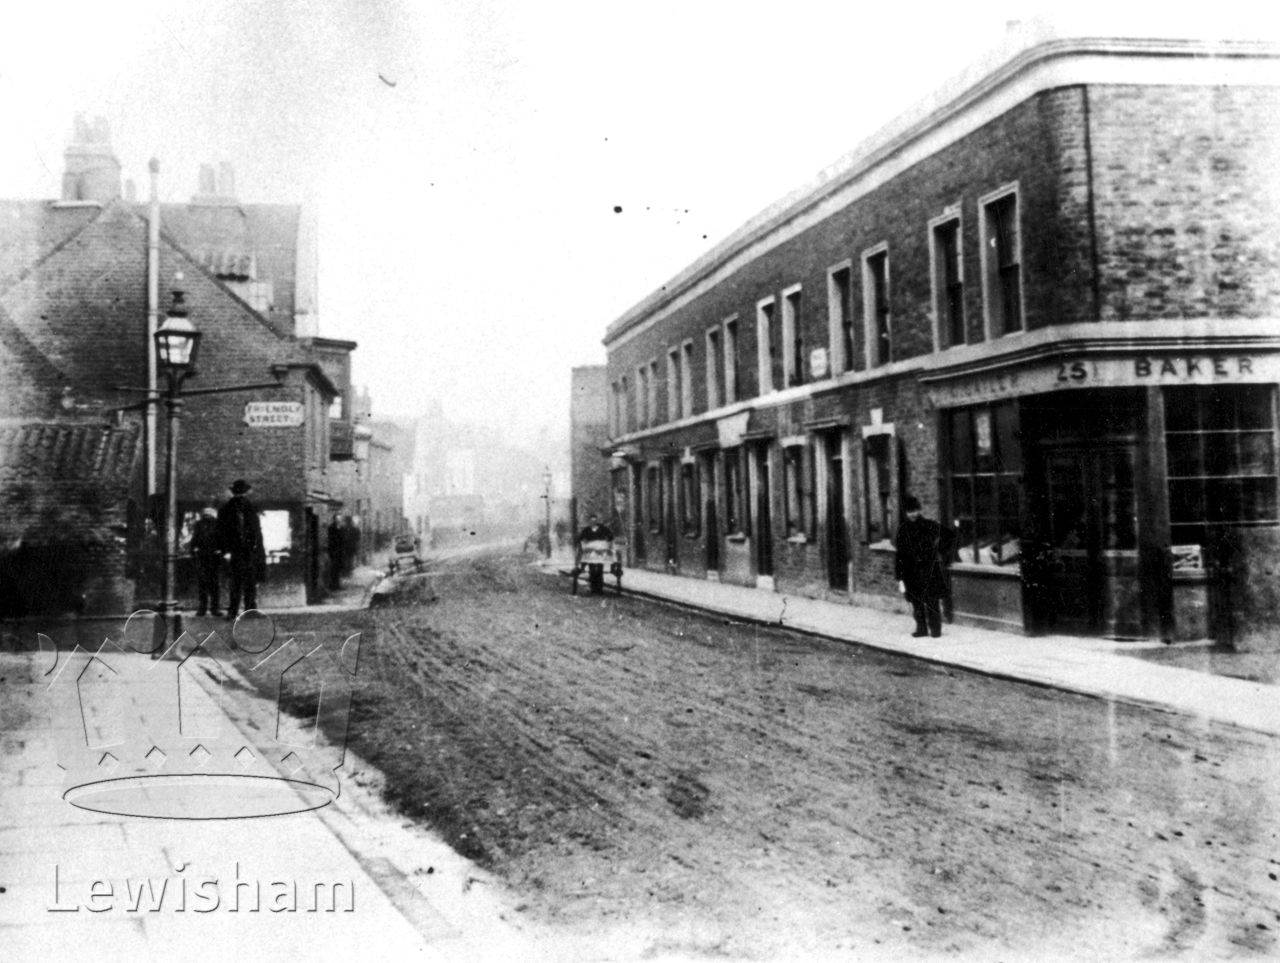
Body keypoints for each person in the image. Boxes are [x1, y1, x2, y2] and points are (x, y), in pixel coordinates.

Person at [895, 494, 948, 638]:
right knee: (916, 602)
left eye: (915, 511)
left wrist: (938, 550)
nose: (912, 514)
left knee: (932, 601)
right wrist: (900, 576)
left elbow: (947, 536)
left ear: (919, 511)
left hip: (928, 570)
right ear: (906, 513)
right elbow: (899, 555)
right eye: (909, 512)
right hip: (911, 572)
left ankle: (935, 629)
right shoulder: (903, 530)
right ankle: (921, 629)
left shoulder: (929, 525)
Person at [217, 479, 265, 620]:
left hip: (241, 551)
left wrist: (225, 550)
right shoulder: (243, 507)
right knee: (244, 582)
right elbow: (256, 531)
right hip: (242, 551)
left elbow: (221, 531)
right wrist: (225, 550)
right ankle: (242, 611)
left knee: (240, 582)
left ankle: (237, 611)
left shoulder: (230, 507)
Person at [190, 507, 223, 617]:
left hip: (213, 557)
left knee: (213, 584)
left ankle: (213, 609)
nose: (207, 516)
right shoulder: (199, 525)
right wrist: (194, 549)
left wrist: (220, 550)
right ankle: (204, 608)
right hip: (203, 556)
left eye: (209, 514)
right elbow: (195, 538)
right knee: (204, 584)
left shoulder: (217, 524)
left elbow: (222, 539)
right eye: (205, 514)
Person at [326, 515, 344, 590]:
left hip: (340, 551)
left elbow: (343, 538)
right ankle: (333, 585)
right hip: (333, 550)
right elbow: (331, 538)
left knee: (338, 568)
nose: (339, 520)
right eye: (337, 519)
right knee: (333, 568)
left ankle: (337, 584)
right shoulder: (331, 527)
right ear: (334, 519)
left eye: (340, 519)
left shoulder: (341, 527)